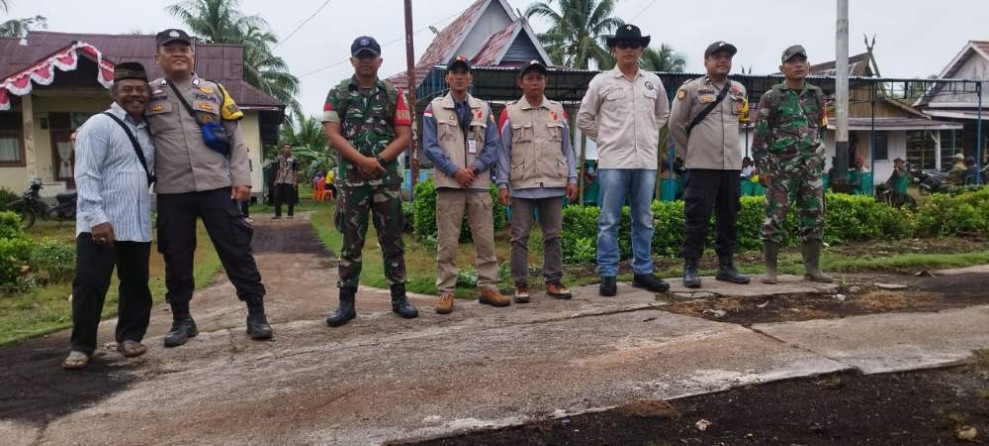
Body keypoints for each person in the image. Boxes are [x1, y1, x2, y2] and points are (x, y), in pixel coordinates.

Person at [146, 29, 272, 346]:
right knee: (176, 256)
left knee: (236, 250)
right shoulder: (148, 95)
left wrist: (242, 179)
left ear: (193, 55)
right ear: (158, 57)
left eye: (183, 48)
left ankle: (256, 313)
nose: (178, 53)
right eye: (170, 48)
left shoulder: (214, 91)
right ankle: (181, 319)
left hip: (217, 187)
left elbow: (236, 138)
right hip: (172, 191)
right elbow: (122, 121)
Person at [63, 63, 156, 370]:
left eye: (141, 89)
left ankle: (129, 337)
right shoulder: (98, 126)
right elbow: (86, 175)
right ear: (115, 92)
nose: (135, 94)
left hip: (138, 223)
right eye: (128, 89)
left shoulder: (148, 130)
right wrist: (96, 218)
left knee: (135, 284)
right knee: (90, 284)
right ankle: (82, 345)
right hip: (101, 224)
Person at [321, 35, 418, 326]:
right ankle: (346, 303)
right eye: (360, 56)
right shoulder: (338, 93)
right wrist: (362, 162)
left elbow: (404, 135)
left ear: (379, 61)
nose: (365, 60)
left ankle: (399, 297)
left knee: (393, 239)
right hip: (352, 181)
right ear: (352, 60)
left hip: (385, 180)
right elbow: (332, 134)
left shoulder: (392, 94)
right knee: (352, 242)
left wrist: (379, 162)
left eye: (370, 56)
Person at [577, 24, 670, 296]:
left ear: (640, 49)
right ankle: (608, 274)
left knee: (644, 219)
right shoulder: (601, 82)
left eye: (634, 45)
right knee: (608, 220)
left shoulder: (653, 81)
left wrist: (650, 133)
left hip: (645, 163)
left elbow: (663, 114)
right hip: (613, 161)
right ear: (614, 49)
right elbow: (584, 118)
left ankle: (643, 272)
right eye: (623, 45)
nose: (629, 49)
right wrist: (605, 138)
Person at [422, 56, 510, 314]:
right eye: (454, 72)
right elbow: (430, 146)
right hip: (449, 184)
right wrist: (455, 171)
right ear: (447, 77)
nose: (459, 77)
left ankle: (488, 287)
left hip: (479, 183)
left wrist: (474, 168)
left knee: (485, 239)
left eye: (464, 73)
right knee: (447, 241)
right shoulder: (434, 108)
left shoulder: (483, 109)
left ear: (470, 78)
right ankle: (446, 292)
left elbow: (493, 145)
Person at [669, 40, 751, 289]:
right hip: (701, 165)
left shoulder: (739, 89)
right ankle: (691, 266)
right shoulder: (691, 89)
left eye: (727, 56)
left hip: (731, 167)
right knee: (697, 217)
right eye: (717, 56)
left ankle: (726, 266)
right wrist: (690, 153)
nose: (723, 60)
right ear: (706, 62)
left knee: (728, 216)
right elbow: (675, 124)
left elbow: (741, 122)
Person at [496, 60, 578, 304]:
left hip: (553, 185)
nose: (535, 82)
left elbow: (568, 148)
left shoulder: (558, 110)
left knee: (553, 236)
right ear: (521, 82)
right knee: (519, 237)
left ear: (546, 82)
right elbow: (503, 151)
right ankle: (521, 285)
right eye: (529, 78)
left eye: (539, 78)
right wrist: (502, 183)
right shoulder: (509, 112)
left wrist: (572, 178)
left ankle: (553, 281)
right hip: (522, 187)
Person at [752, 44, 832, 284]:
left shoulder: (816, 94)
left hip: (811, 169)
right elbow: (760, 135)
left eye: (802, 60)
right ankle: (770, 271)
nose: (798, 65)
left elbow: (821, 127)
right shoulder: (772, 96)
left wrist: (818, 156)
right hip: (781, 169)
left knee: (814, 216)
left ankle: (813, 270)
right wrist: (763, 168)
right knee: (774, 217)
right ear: (782, 67)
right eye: (792, 61)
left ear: (808, 65)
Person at [272, 144, 299, 219]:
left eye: (288, 148)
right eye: (285, 148)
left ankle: (290, 214)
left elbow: (295, 171)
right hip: (280, 180)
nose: (287, 149)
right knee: (276, 196)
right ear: (283, 149)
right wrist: (276, 180)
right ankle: (278, 214)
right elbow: (278, 170)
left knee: (290, 198)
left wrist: (294, 181)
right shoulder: (280, 158)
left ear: (291, 150)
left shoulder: (294, 159)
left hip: (289, 180)